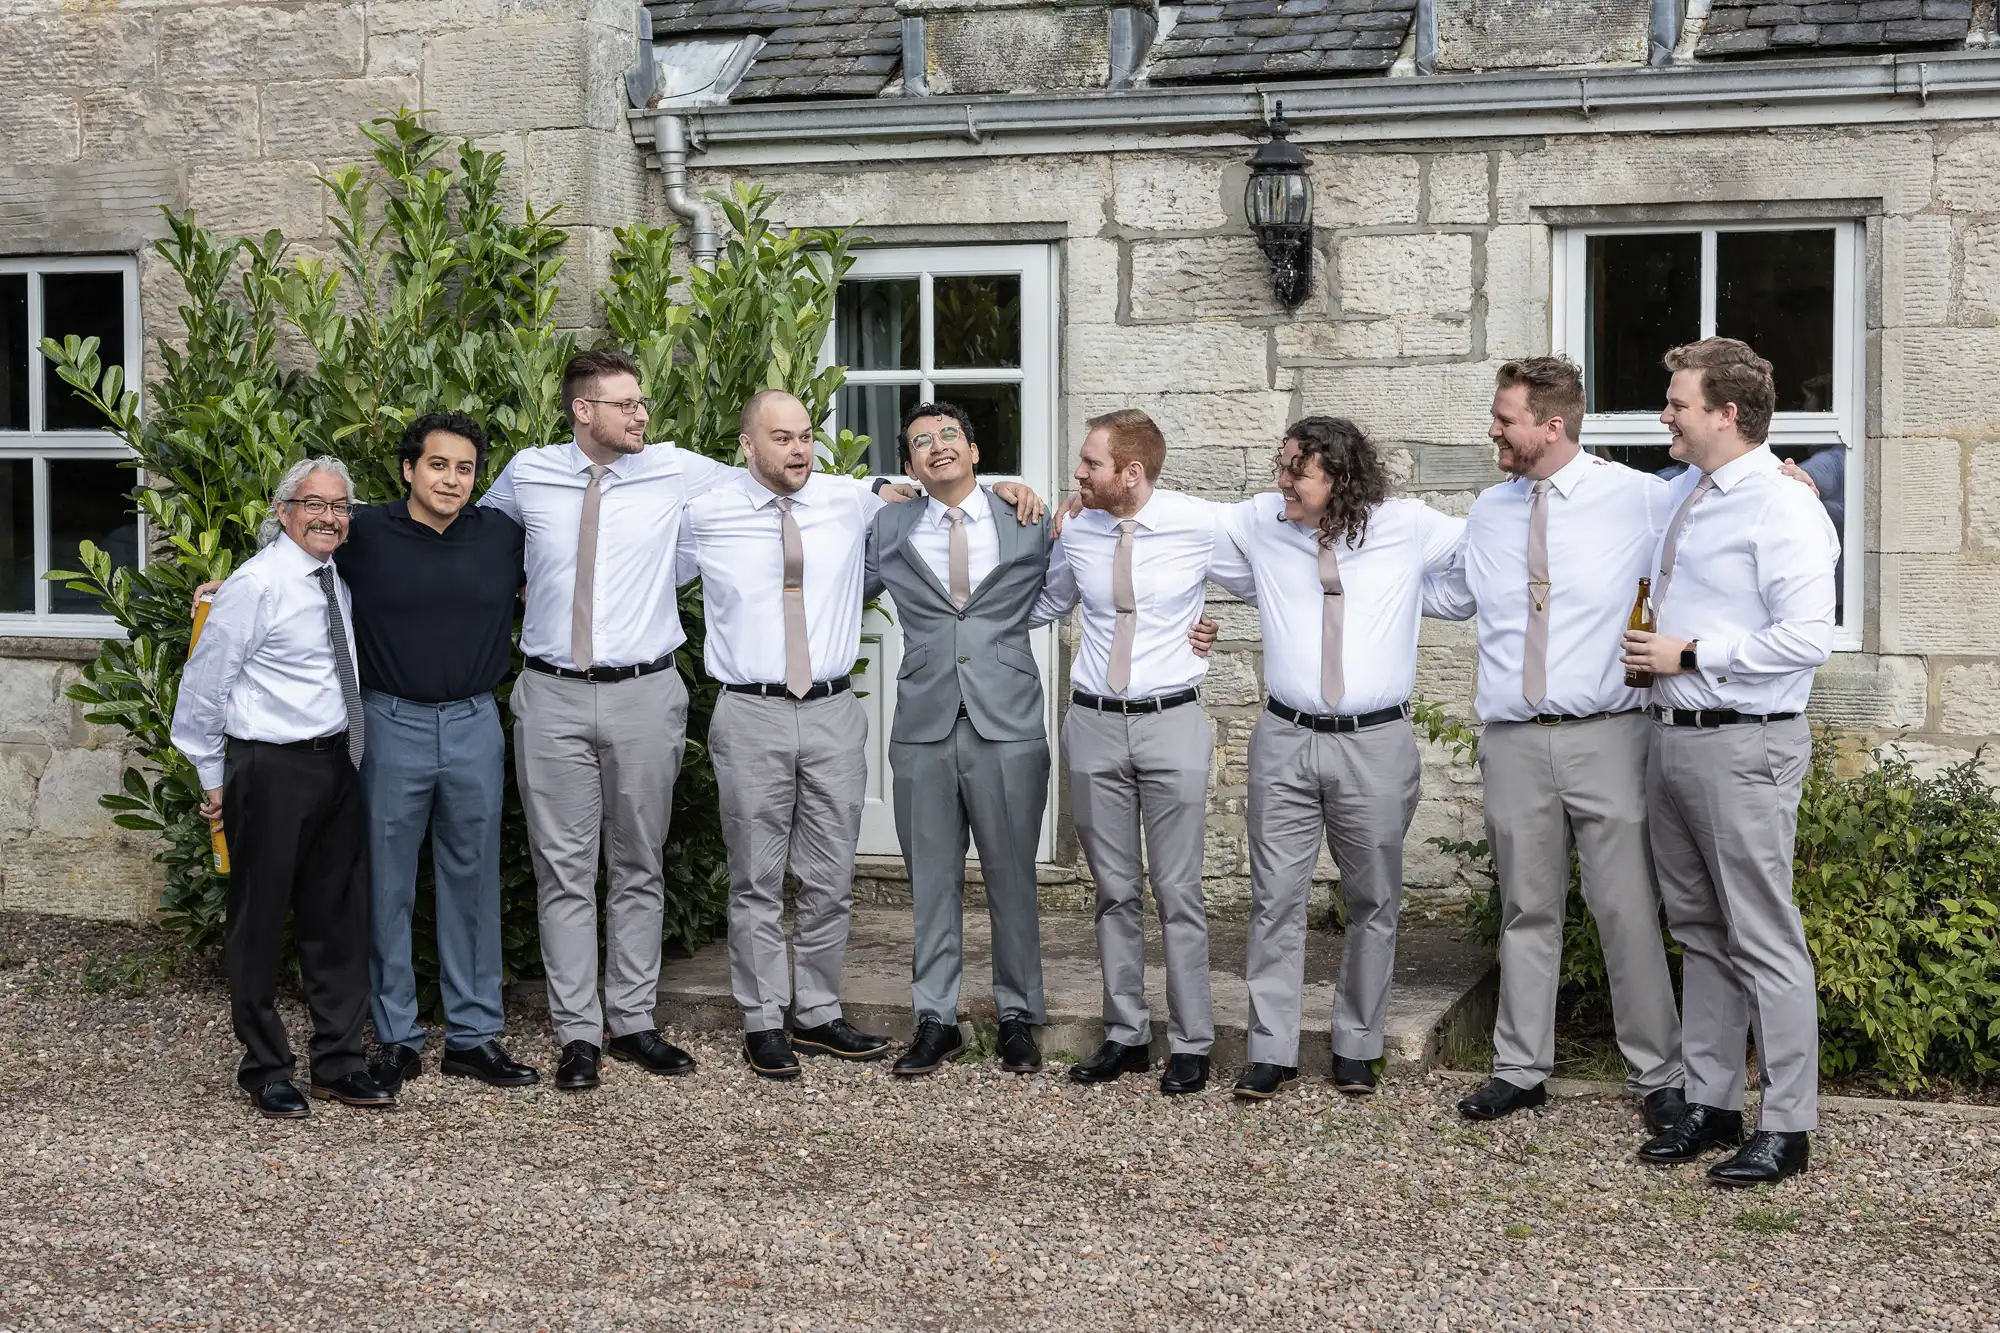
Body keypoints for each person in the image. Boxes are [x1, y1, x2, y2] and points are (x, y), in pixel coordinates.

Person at [676, 390, 1042, 1079]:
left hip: (834, 711)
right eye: (780, 438)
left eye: (806, 435)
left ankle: (815, 1011)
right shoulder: (707, 512)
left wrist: (1010, 487)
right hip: (750, 709)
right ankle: (763, 1019)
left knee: (828, 873)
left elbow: (948, 489)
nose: (798, 449)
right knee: (755, 875)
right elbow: (639, 567)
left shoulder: (851, 502)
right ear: (747, 448)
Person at [1425, 358, 1686, 1135]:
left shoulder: (1640, 497)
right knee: (1525, 908)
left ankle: (1659, 1075)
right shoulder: (1489, 510)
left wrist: (1792, 476)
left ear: (1552, 425)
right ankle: (1519, 1069)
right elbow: (1446, 591)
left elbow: (1726, 505)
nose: (1493, 431)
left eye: (1504, 419)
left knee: (1625, 909)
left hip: (1608, 734)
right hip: (1512, 740)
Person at [478, 349, 733, 1092]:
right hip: (551, 693)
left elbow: (781, 484)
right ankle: (577, 1033)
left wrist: (932, 489)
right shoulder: (528, 472)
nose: (641, 414)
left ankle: (633, 1020)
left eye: (642, 401)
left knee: (638, 864)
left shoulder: (675, 468)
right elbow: (468, 539)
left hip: (645, 693)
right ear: (582, 410)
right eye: (626, 404)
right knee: (563, 870)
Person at [1623, 337, 1837, 1187]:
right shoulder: (1687, 494)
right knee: (1702, 934)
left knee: (1764, 936)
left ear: (1727, 413)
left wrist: (1689, 653)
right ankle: (1711, 1105)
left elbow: (1807, 637)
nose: (1664, 415)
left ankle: (1788, 1125)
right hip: (1673, 741)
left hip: (1746, 742)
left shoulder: (1783, 508)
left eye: (1677, 404)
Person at [1219, 417, 1465, 1102]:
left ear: (1342, 476)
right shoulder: (1263, 521)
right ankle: (1271, 1048)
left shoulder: (1408, 526)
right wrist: (1063, 505)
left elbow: (1495, 544)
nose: (1283, 480)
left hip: (1374, 741)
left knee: (1373, 897)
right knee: (1273, 897)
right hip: (1285, 735)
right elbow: (1171, 525)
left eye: (1298, 469)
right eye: (1283, 464)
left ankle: (1358, 1044)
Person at [1031, 408, 1254, 1097]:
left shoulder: (1199, 523)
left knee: (1179, 890)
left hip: (1171, 722)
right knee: (1114, 890)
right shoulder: (1078, 528)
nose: (1078, 472)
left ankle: (1191, 1040)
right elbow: (1046, 602)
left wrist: (1212, 626)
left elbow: (1267, 581)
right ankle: (1126, 1032)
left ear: (1132, 472)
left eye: (1091, 463)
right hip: (1093, 723)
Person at [170, 457, 395, 1118]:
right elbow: (201, 691)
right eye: (314, 503)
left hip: (335, 764)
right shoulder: (255, 584)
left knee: (337, 919)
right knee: (260, 920)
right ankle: (265, 1066)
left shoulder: (332, 578)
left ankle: (338, 1062)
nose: (329, 516)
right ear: (282, 510)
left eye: (340, 506)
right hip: (268, 769)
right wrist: (214, 778)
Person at [340, 414, 539, 1092]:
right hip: (388, 721)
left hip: (474, 721)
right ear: (408, 469)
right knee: (387, 884)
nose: (451, 479)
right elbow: (292, 559)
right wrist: (229, 589)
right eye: (438, 465)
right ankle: (396, 1036)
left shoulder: (504, 536)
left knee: (473, 881)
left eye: (464, 468)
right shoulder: (363, 534)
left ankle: (474, 1035)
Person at [866, 401, 1057, 1077]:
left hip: (1005, 722)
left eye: (949, 435)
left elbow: (1073, 583)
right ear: (910, 464)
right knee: (932, 880)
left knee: (1012, 877)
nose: (937, 446)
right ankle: (934, 1018)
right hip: (922, 724)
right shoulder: (888, 526)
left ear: (975, 451)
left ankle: (1017, 1015)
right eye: (921, 441)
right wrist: (865, 489)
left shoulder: (1027, 518)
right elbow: (835, 584)